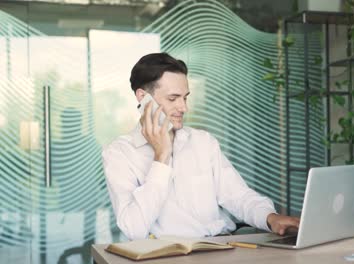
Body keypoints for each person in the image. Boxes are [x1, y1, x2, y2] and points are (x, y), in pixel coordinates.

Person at [102, 53, 299, 240]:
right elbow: (134, 228)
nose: (184, 108)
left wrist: (270, 218)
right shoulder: (120, 153)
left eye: (185, 97)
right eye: (173, 98)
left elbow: (238, 196)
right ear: (142, 97)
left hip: (222, 248)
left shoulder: (203, 142)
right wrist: (161, 157)